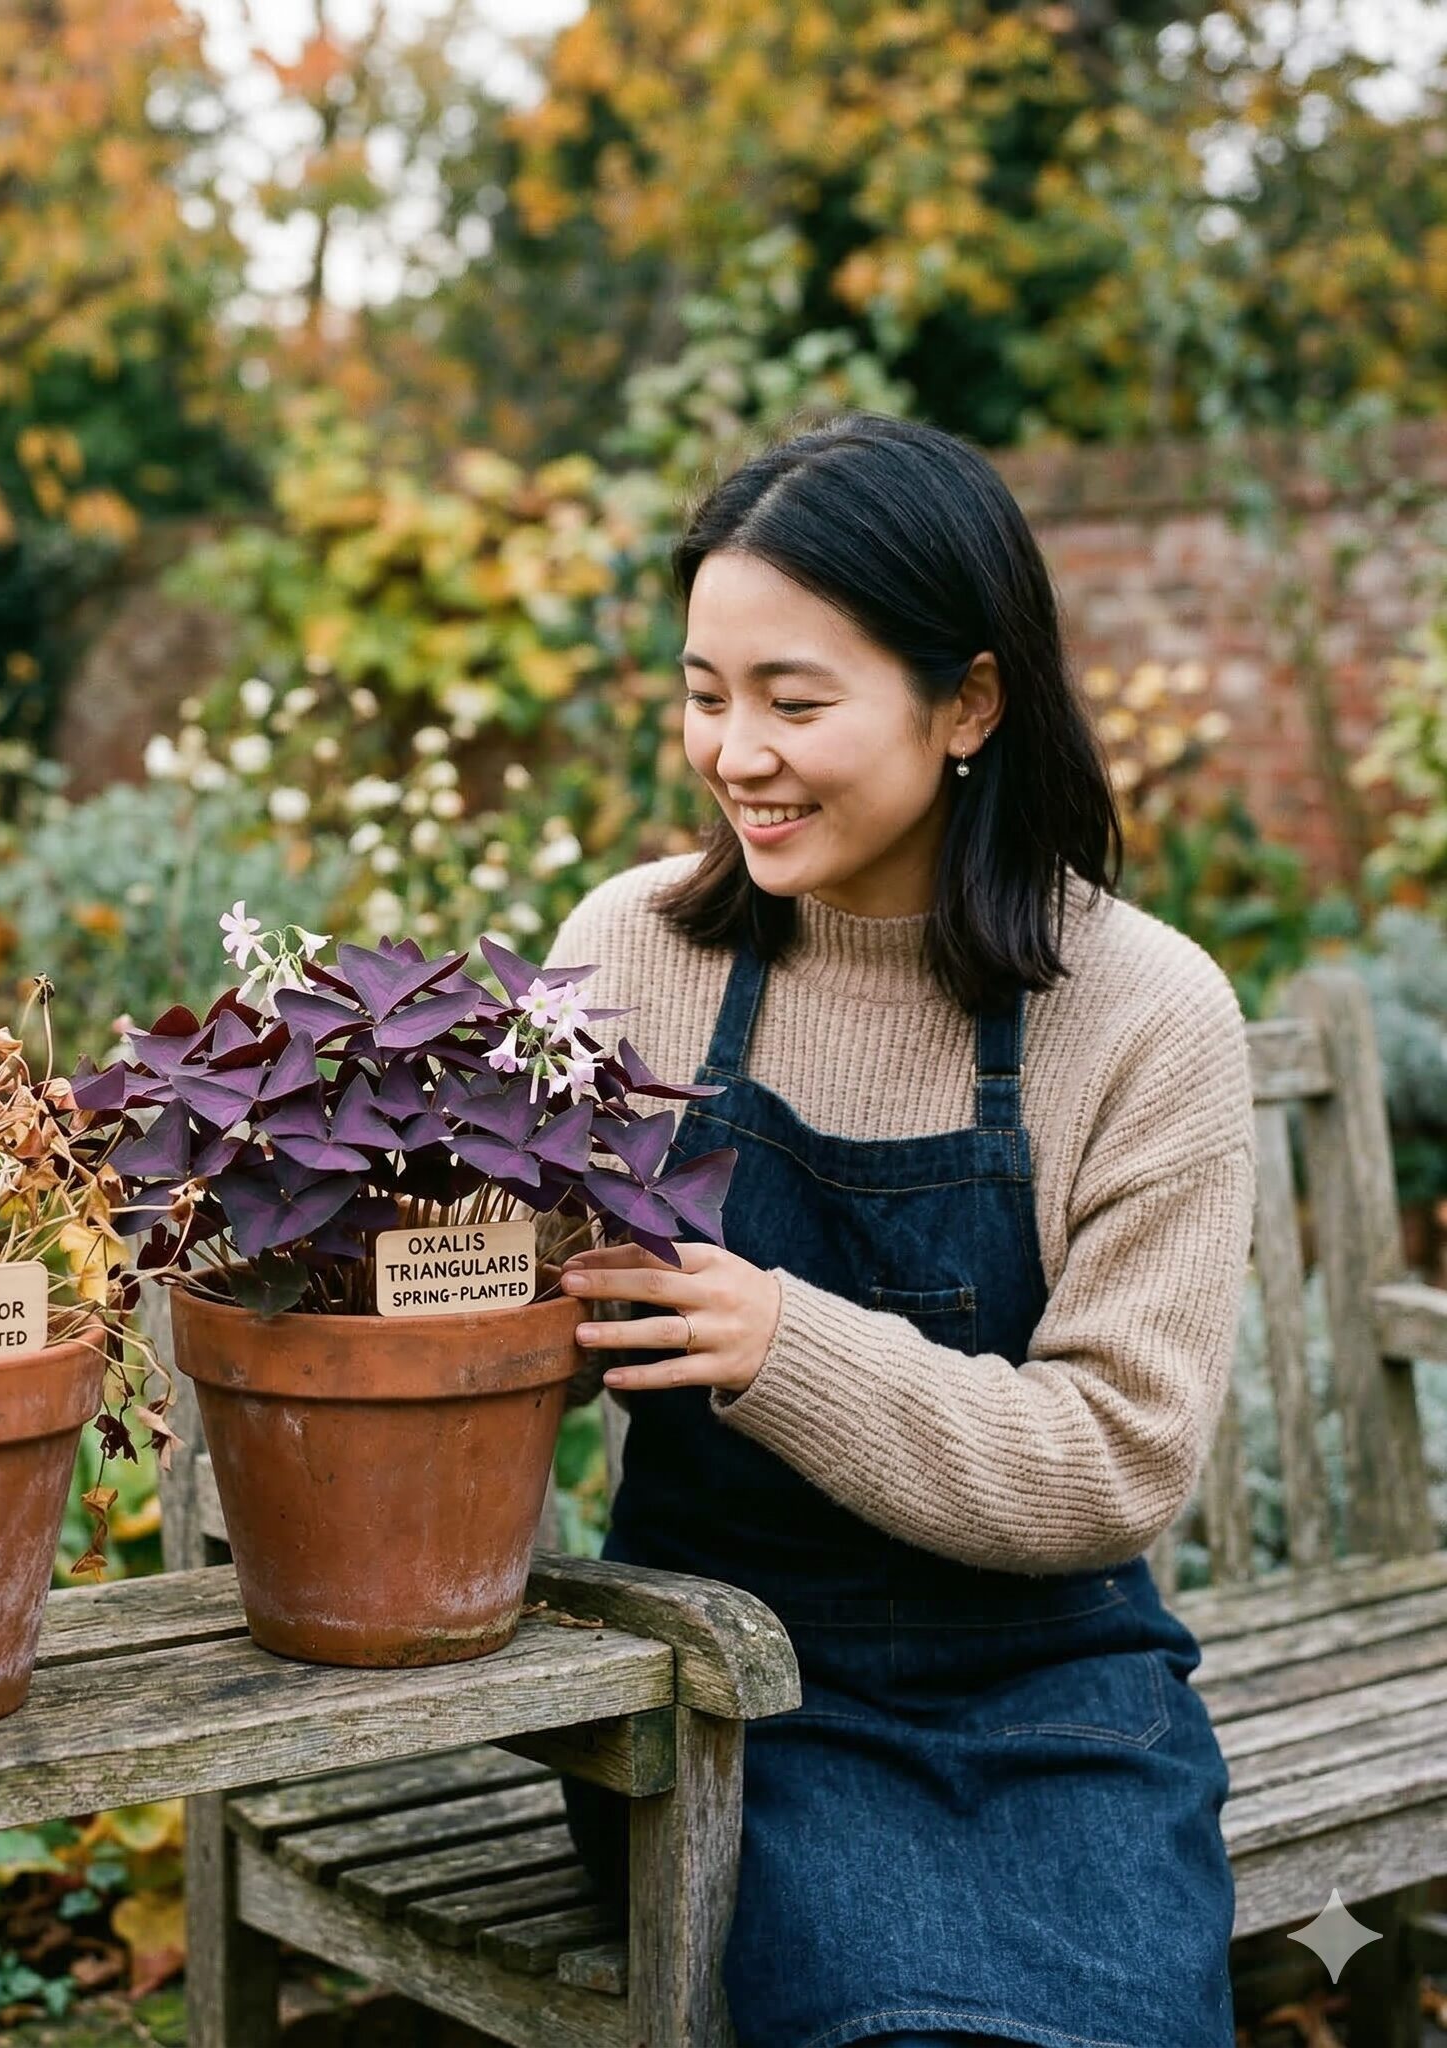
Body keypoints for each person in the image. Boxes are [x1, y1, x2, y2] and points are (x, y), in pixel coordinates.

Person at [545, 412, 1253, 2048]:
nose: (736, 754)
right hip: (728, 1687)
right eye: (705, 696)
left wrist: (782, 1342)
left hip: (1060, 1688)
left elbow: (1120, 1458)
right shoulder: (634, 951)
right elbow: (526, 1328)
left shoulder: (1144, 1013)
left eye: (796, 702)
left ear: (971, 705)